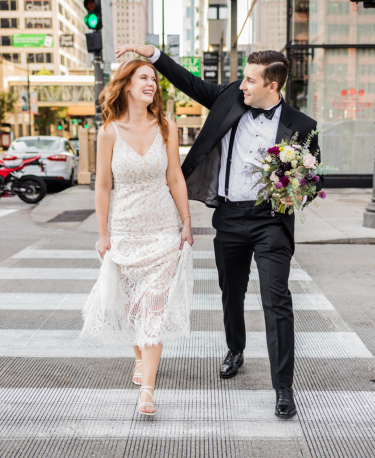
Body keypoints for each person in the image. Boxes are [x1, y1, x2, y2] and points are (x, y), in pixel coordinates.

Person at [115, 44, 323, 418]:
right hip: (228, 216)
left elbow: (310, 178)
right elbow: (189, 82)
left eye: (250, 79)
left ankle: (284, 387)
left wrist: (293, 196)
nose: (242, 83)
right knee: (231, 292)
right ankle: (235, 348)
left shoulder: (302, 126)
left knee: (277, 300)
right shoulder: (230, 98)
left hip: (270, 222)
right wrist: (155, 56)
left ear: (272, 85)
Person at [80, 59, 194, 416]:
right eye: (143, 77)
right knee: (132, 308)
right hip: (125, 230)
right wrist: (102, 234)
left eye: (154, 80)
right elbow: (102, 186)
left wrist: (186, 223)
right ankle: (139, 359)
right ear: (127, 85)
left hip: (162, 231)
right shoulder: (109, 131)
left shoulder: (166, 126)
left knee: (153, 310)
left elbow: (175, 176)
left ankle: (148, 389)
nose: (151, 84)